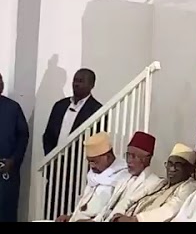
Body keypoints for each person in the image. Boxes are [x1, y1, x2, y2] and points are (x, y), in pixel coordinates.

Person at [42, 68, 103, 219]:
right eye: (75, 80)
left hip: (79, 172)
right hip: (55, 170)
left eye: (81, 81)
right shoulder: (59, 106)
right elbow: (48, 136)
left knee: (72, 212)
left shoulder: (98, 111)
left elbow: (97, 143)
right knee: (51, 211)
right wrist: (51, 162)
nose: (76, 84)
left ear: (91, 85)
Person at [111, 143, 196, 222]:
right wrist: (119, 214)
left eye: (178, 165)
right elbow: (131, 198)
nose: (172, 169)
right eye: (170, 164)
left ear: (190, 170)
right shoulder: (161, 183)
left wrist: (135, 220)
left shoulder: (189, 187)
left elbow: (170, 210)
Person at [54, 132, 128, 222]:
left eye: (94, 161)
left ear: (108, 157)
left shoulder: (123, 176)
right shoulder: (94, 176)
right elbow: (85, 207)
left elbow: (113, 212)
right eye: (89, 161)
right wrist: (71, 217)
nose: (91, 166)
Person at [91, 131, 163, 222]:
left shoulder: (153, 182)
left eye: (133, 156)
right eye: (128, 155)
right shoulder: (125, 176)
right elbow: (109, 206)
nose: (128, 161)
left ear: (146, 159)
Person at [0, 72, 29, 222]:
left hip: (6, 172)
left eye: (1, 81)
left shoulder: (13, 108)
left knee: (6, 213)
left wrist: (13, 161)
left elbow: (23, 137)